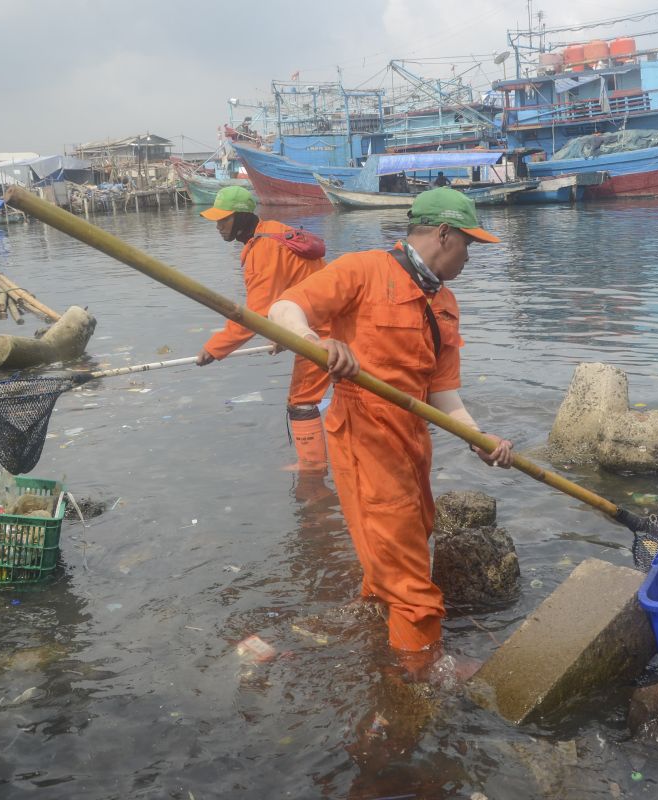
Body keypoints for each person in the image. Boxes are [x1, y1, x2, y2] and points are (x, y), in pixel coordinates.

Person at [268, 187, 514, 674]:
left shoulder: (444, 303)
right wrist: (318, 343)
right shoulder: (364, 270)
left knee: (413, 532)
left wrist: (479, 438)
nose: (470, 256)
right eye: (468, 244)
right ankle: (424, 668)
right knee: (405, 560)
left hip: (412, 435)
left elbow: (443, 394)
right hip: (364, 432)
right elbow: (283, 310)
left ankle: (376, 621)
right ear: (444, 233)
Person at [196, 185, 331, 472]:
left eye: (224, 219)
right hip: (322, 322)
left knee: (302, 401)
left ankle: (313, 470)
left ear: (243, 218)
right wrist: (284, 336)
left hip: (323, 330)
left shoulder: (263, 249)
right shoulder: (273, 232)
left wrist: (214, 349)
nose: (218, 226)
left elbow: (255, 313)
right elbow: (290, 291)